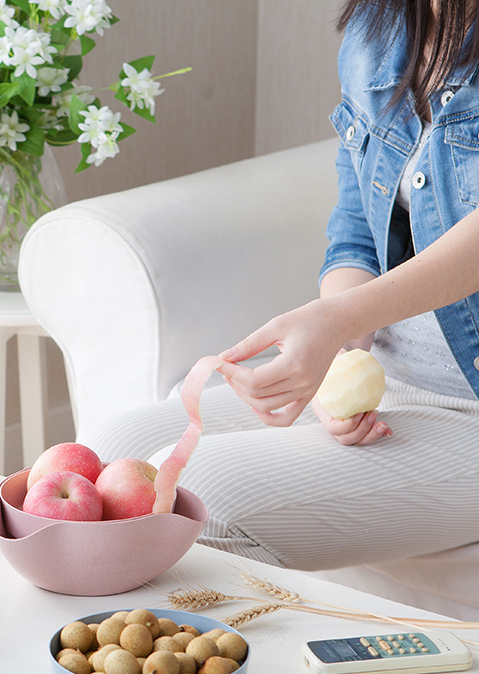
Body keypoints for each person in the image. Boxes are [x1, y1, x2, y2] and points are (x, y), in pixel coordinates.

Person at [87, 0, 479, 574]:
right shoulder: (382, 29)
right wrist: (343, 363)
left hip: (467, 408)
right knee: (109, 450)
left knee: (201, 500)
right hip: (390, 385)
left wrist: (340, 322)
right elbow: (355, 230)